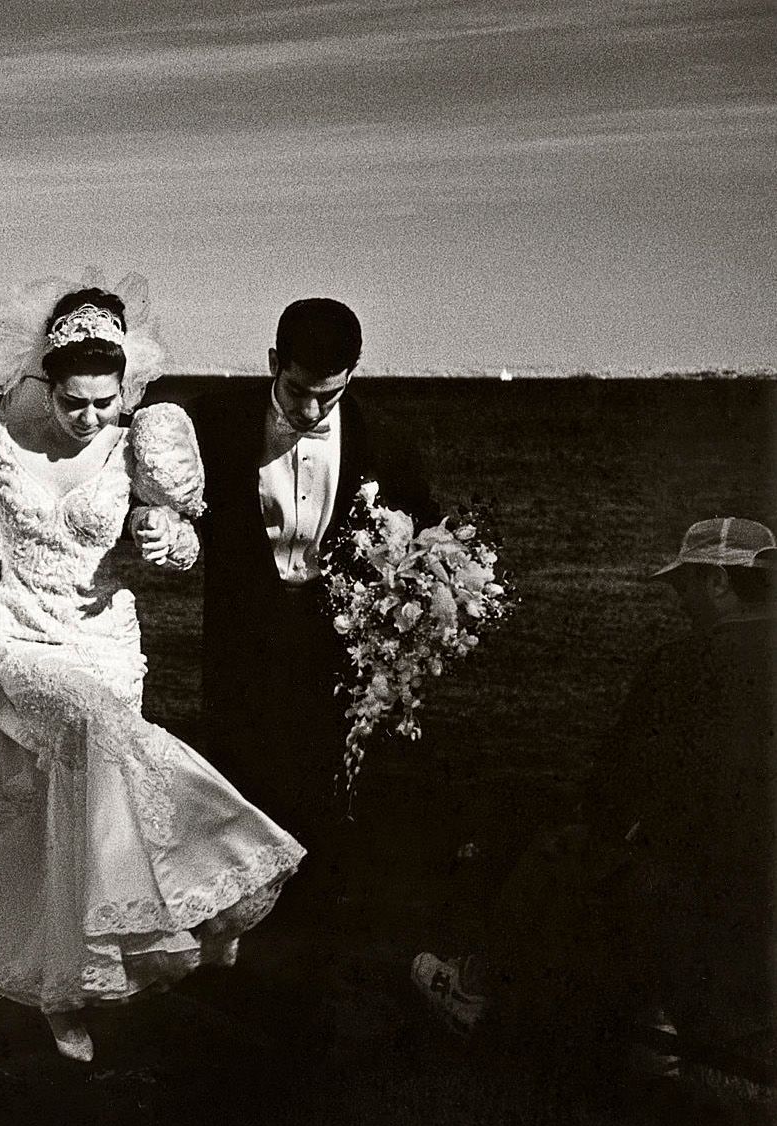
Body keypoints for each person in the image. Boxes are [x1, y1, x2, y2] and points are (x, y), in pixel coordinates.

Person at [0, 276, 303, 1062]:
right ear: (46, 382)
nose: (88, 417)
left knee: (68, 824)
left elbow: (180, 536)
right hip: (15, 641)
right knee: (91, 735)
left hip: (105, 644)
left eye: (104, 401)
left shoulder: (139, 442)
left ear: (126, 388)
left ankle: (71, 985)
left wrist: (167, 538)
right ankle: (198, 900)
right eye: (73, 400)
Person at [412, 518, 776, 1069]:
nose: (681, 601)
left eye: (686, 585)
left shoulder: (682, 665)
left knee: (565, 845)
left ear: (719, 582)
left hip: (697, 885)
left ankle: (475, 989)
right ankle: (650, 1005)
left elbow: (614, 787)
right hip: (758, 884)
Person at [136, 298, 433, 905]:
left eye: (330, 394)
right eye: (297, 389)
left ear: (352, 376)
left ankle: (314, 929)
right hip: (239, 644)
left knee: (328, 800)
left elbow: (425, 532)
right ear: (273, 361)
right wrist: (152, 523)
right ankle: (232, 937)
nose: (310, 408)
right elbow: (151, 498)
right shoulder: (212, 423)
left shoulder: (389, 440)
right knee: (234, 797)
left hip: (340, 651)